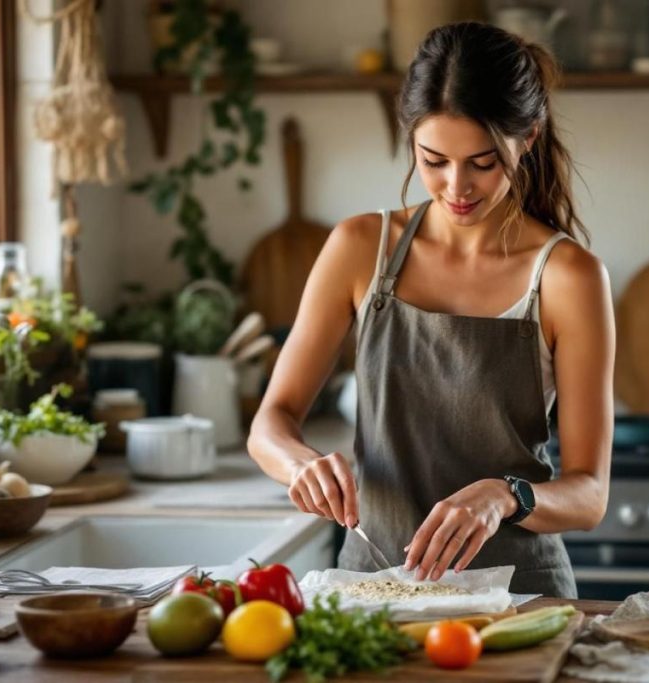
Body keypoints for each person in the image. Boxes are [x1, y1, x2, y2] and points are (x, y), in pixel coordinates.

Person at [248, 22, 614, 598]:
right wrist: (299, 464)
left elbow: (590, 495)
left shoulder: (569, 278)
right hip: (373, 586)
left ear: (530, 137)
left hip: (519, 596)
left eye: (483, 162)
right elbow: (272, 422)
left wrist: (506, 495)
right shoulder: (358, 249)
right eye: (433, 159)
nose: (456, 186)